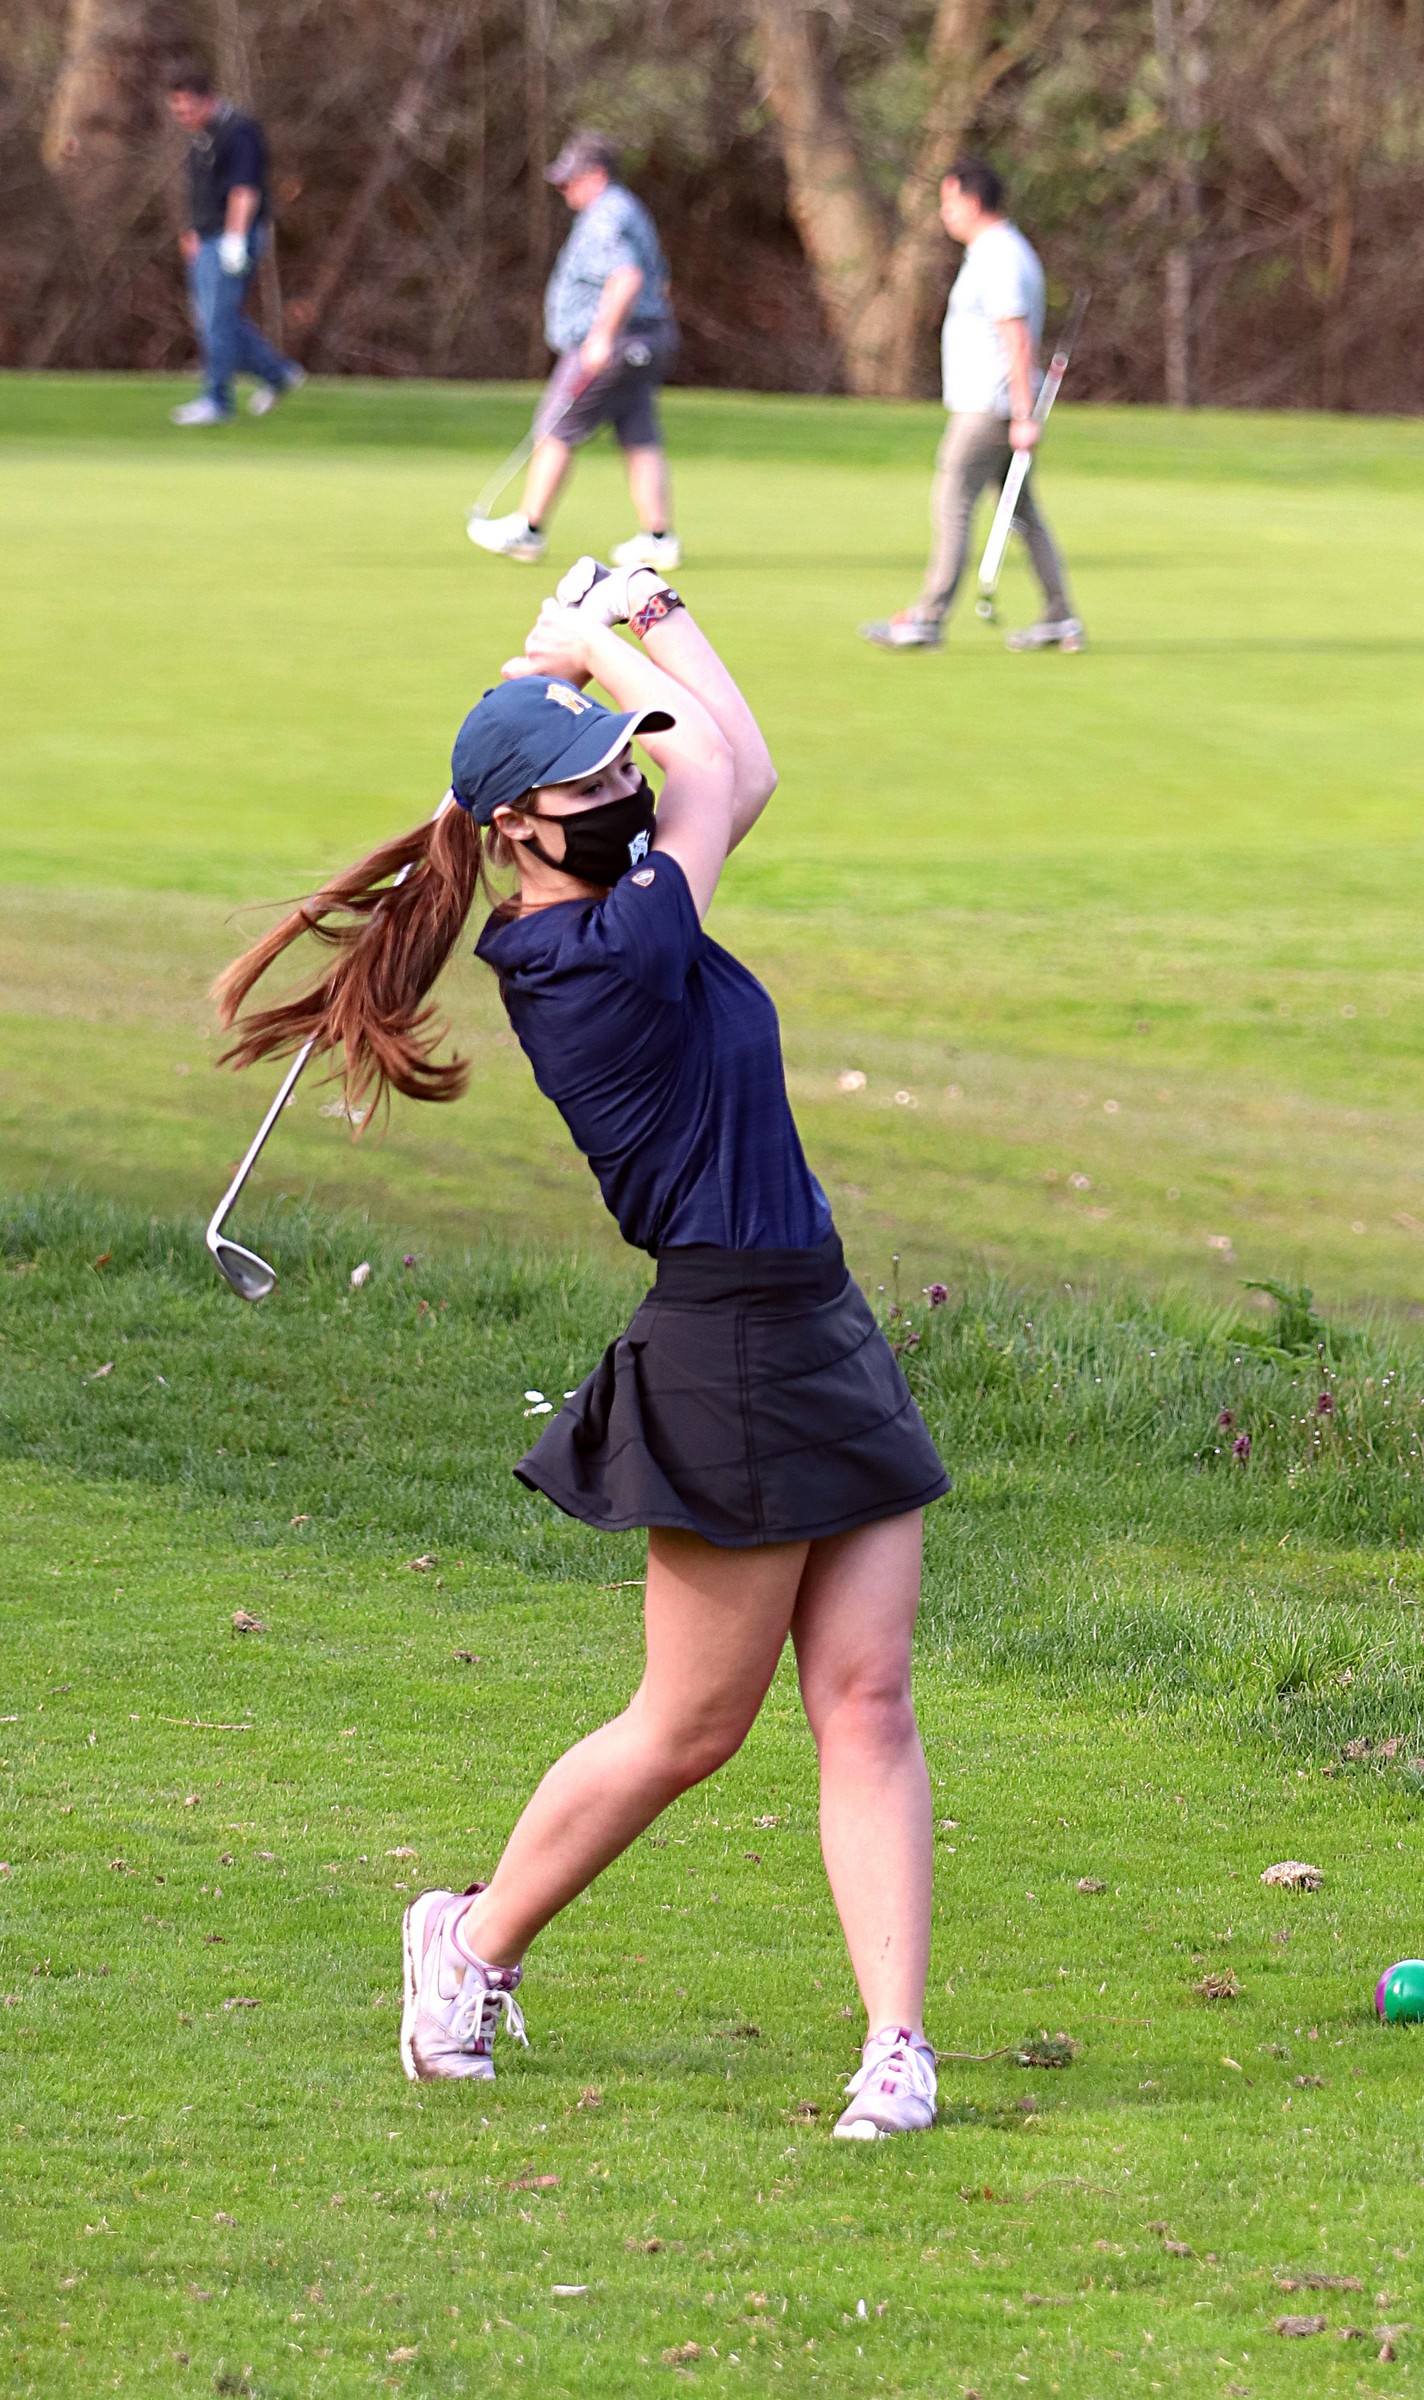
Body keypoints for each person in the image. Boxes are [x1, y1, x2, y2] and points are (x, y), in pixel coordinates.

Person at [212, 557, 951, 2140]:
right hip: (724, 1345)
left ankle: (896, 2047)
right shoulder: (593, 957)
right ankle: (466, 1943)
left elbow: (721, 768)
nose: (617, 783)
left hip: (814, 1312)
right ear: (514, 835)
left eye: (613, 767)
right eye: (581, 782)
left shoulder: (615, 900)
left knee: (870, 1698)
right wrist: (596, 646)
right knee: (691, 1728)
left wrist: (642, 628)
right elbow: (723, 770)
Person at [861, 156, 1083, 654]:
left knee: (953, 501)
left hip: (989, 407)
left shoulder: (999, 255)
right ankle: (1060, 616)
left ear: (973, 201)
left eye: (949, 203)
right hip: (998, 406)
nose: (945, 214)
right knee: (1022, 511)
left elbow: (1016, 337)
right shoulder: (996, 251)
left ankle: (928, 617)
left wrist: (1025, 415)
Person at [470, 134, 680, 571]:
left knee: (556, 427)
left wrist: (602, 337)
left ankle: (528, 528)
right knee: (638, 433)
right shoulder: (628, 210)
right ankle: (657, 537)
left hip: (615, 342)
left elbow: (626, 277)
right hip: (647, 339)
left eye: (571, 181)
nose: (565, 190)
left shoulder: (607, 214)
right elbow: (660, 281)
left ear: (597, 176)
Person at [166, 65, 305, 428]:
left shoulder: (239, 132)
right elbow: (200, 192)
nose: (183, 117)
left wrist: (234, 238)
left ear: (207, 100)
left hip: (232, 237)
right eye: (176, 111)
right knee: (216, 320)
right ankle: (276, 375)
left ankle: (217, 400)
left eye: (187, 109)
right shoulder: (201, 136)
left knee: (216, 321)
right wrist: (191, 230)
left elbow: (243, 189)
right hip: (205, 236)